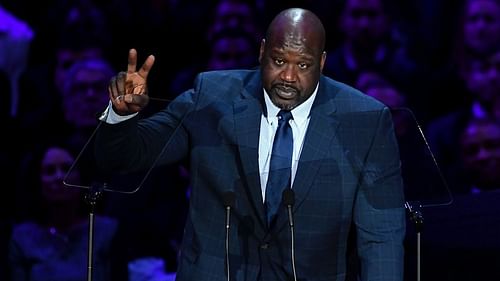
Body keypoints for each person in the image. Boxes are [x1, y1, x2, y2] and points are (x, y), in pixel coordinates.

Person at [95, 7, 406, 281]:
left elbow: (382, 237)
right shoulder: (212, 97)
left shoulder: (364, 121)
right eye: (279, 60)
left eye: (303, 65)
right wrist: (122, 116)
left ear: (322, 62)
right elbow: (126, 155)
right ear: (261, 52)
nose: (287, 76)